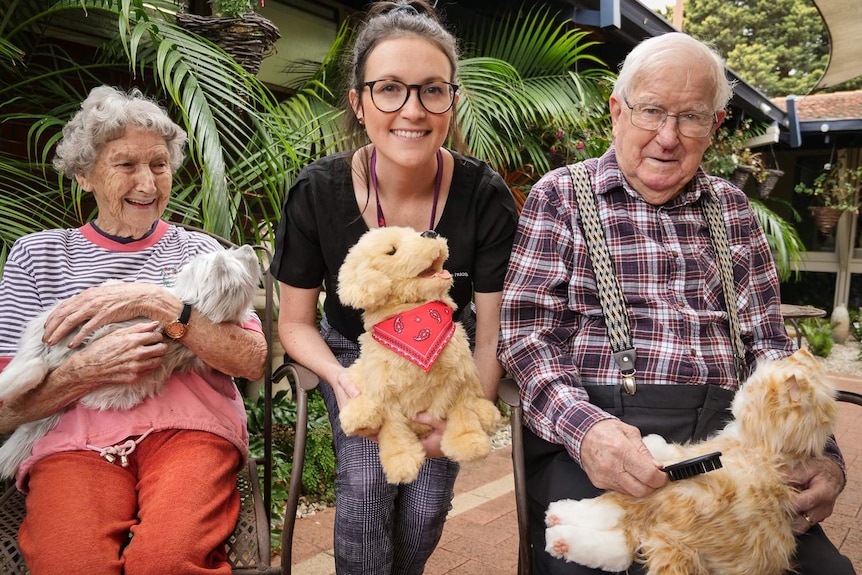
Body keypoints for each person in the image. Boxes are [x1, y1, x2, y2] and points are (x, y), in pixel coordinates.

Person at [498, 32, 855, 575]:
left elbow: (774, 354)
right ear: (617, 111)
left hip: (733, 451)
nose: (668, 137)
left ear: (713, 128)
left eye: (690, 117)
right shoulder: (561, 196)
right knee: (600, 560)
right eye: (651, 111)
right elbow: (526, 337)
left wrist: (825, 460)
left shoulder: (733, 209)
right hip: (608, 437)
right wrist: (586, 430)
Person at [269, 1, 518, 573]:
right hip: (355, 352)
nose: (412, 109)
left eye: (432, 90)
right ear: (359, 103)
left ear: (454, 101)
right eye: (389, 89)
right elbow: (295, 324)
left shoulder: (483, 195)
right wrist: (340, 379)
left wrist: (466, 404)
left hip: (444, 355)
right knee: (365, 483)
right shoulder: (318, 191)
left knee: (428, 505)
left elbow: (491, 331)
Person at [0, 85, 268, 575]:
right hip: (74, 441)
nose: (148, 182)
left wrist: (155, 302)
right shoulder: (37, 257)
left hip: (189, 431)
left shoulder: (201, 253)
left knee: (166, 562)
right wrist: (85, 371)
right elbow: (4, 410)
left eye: (159, 164)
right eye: (125, 165)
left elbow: (251, 359)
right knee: (70, 564)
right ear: (84, 175)